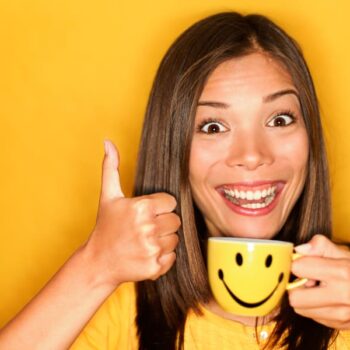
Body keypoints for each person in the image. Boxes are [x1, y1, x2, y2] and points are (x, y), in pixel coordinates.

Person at [1, 11, 350, 350]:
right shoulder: (119, 303)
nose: (252, 155)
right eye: (213, 126)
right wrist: (95, 266)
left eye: (279, 120)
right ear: (175, 151)